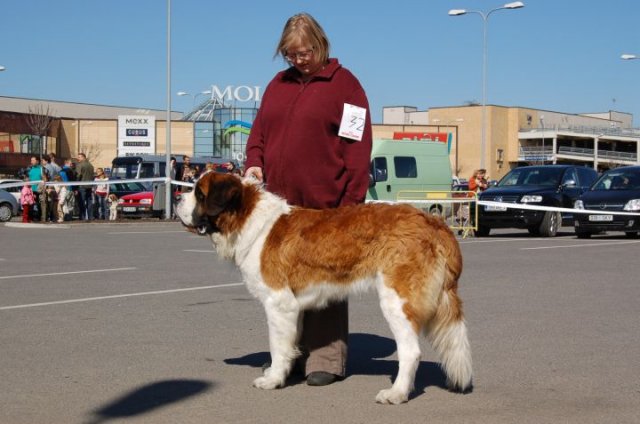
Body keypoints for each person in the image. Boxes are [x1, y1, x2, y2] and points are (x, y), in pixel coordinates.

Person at [244, 13, 372, 387]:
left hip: (326, 206)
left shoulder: (346, 87)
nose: (297, 60)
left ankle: (326, 359)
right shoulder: (277, 85)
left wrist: (351, 203)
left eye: (303, 52)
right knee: (283, 286)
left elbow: (357, 147)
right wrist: (254, 164)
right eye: (289, 54)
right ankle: (289, 356)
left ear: (320, 45)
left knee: (327, 283)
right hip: (278, 208)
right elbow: (259, 133)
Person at [76, 153, 94, 220]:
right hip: (89, 186)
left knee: (81, 202)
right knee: (89, 202)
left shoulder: (80, 165)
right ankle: (90, 217)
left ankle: (82, 217)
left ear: (83, 157)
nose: (78, 158)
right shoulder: (91, 165)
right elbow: (92, 176)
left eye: (79, 157)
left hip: (82, 186)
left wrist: (76, 184)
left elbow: (78, 175)